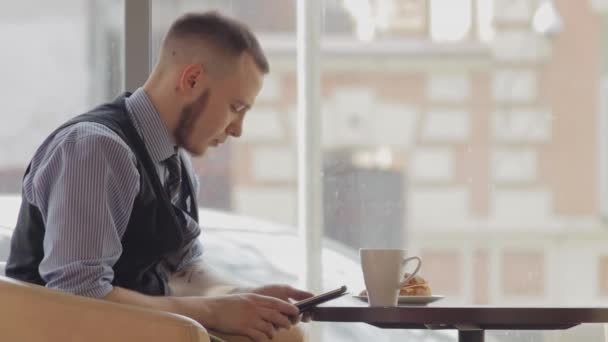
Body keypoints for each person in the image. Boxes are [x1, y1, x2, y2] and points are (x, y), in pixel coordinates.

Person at [5, 11, 313, 342]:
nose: (238, 130)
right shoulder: (95, 150)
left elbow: (184, 270)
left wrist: (243, 296)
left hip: (138, 332)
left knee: (283, 334)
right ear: (192, 80)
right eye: (236, 108)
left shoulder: (173, 158)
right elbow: (79, 294)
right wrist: (214, 311)